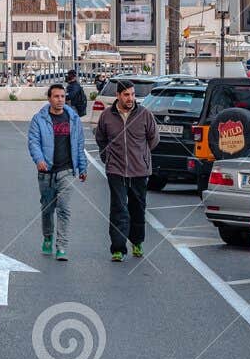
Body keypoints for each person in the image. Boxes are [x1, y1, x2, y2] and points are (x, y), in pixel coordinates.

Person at [93, 79, 159, 261]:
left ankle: (137, 242)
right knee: (118, 209)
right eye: (126, 95)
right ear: (118, 96)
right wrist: (108, 157)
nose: (130, 98)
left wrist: (142, 156)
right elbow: (100, 138)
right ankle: (118, 248)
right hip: (116, 170)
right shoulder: (107, 116)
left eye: (132, 94)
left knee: (138, 208)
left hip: (139, 170)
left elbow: (154, 138)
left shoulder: (144, 114)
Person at [27, 83, 87, 260]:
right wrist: (39, 160)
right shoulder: (39, 119)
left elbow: (79, 144)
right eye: (56, 96)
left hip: (66, 171)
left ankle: (61, 246)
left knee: (64, 209)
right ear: (49, 98)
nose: (60, 100)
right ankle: (48, 236)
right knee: (47, 208)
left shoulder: (73, 119)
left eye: (62, 96)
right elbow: (33, 142)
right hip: (46, 172)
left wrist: (82, 167)